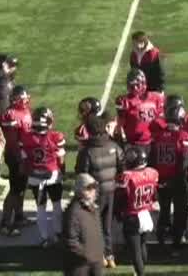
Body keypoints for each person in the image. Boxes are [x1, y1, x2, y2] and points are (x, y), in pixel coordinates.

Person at [75, 114, 120, 267]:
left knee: (94, 225)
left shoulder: (87, 151)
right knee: (107, 225)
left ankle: (99, 255)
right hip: (110, 191)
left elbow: (81, 172)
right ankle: (110, 256)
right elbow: (122, 165)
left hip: (94, 194)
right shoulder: (113, 146)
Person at [151, 96, 188, 250]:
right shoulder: (183, 137)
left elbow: (152, 159)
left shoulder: (157, 136)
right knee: (180, 210)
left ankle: (161, 236)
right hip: (177, 179)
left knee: (164, 209)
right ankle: (178, 238)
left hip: (161, 179)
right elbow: (185, 162)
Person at [20, 106, 67, 246]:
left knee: (40, 207)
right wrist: (62, 172)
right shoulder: (55, 137)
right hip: (52, 175)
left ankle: (44, 237)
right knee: (56, 205)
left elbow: (23, 160)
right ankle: (58, 233)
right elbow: (61, 160)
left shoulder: (26, 137)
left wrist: (28, 172)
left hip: (35, 176)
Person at [115, 146, 158, 276]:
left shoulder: (127, 177)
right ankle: (141, 270)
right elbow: (155, 195)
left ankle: (140, 273)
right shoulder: (152, 173)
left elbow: (121, 197)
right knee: (142, 245)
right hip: (146, 213)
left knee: (135, 251)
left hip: (132, 215)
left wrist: (118, 212)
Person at [0, 86, 32, 236]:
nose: (25, 101)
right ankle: (5, 222)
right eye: (22, 98)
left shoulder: (25, 111)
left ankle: (19, 216)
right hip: (16, 156)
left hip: (24, 154)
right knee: (15, 189)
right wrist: (21, 159)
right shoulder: (10, 115)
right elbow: (12, 141)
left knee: (21, 188)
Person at [62, 173, 106, 276]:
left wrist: (100, 252)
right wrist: (88, 256)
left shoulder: (94, 208)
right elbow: (71, 242)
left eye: (94, 187)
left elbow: (98, 233)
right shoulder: (73, 212)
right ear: (79, 190)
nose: (93, 191)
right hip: (80, 267)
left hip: (96, 263)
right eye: (88, 188)